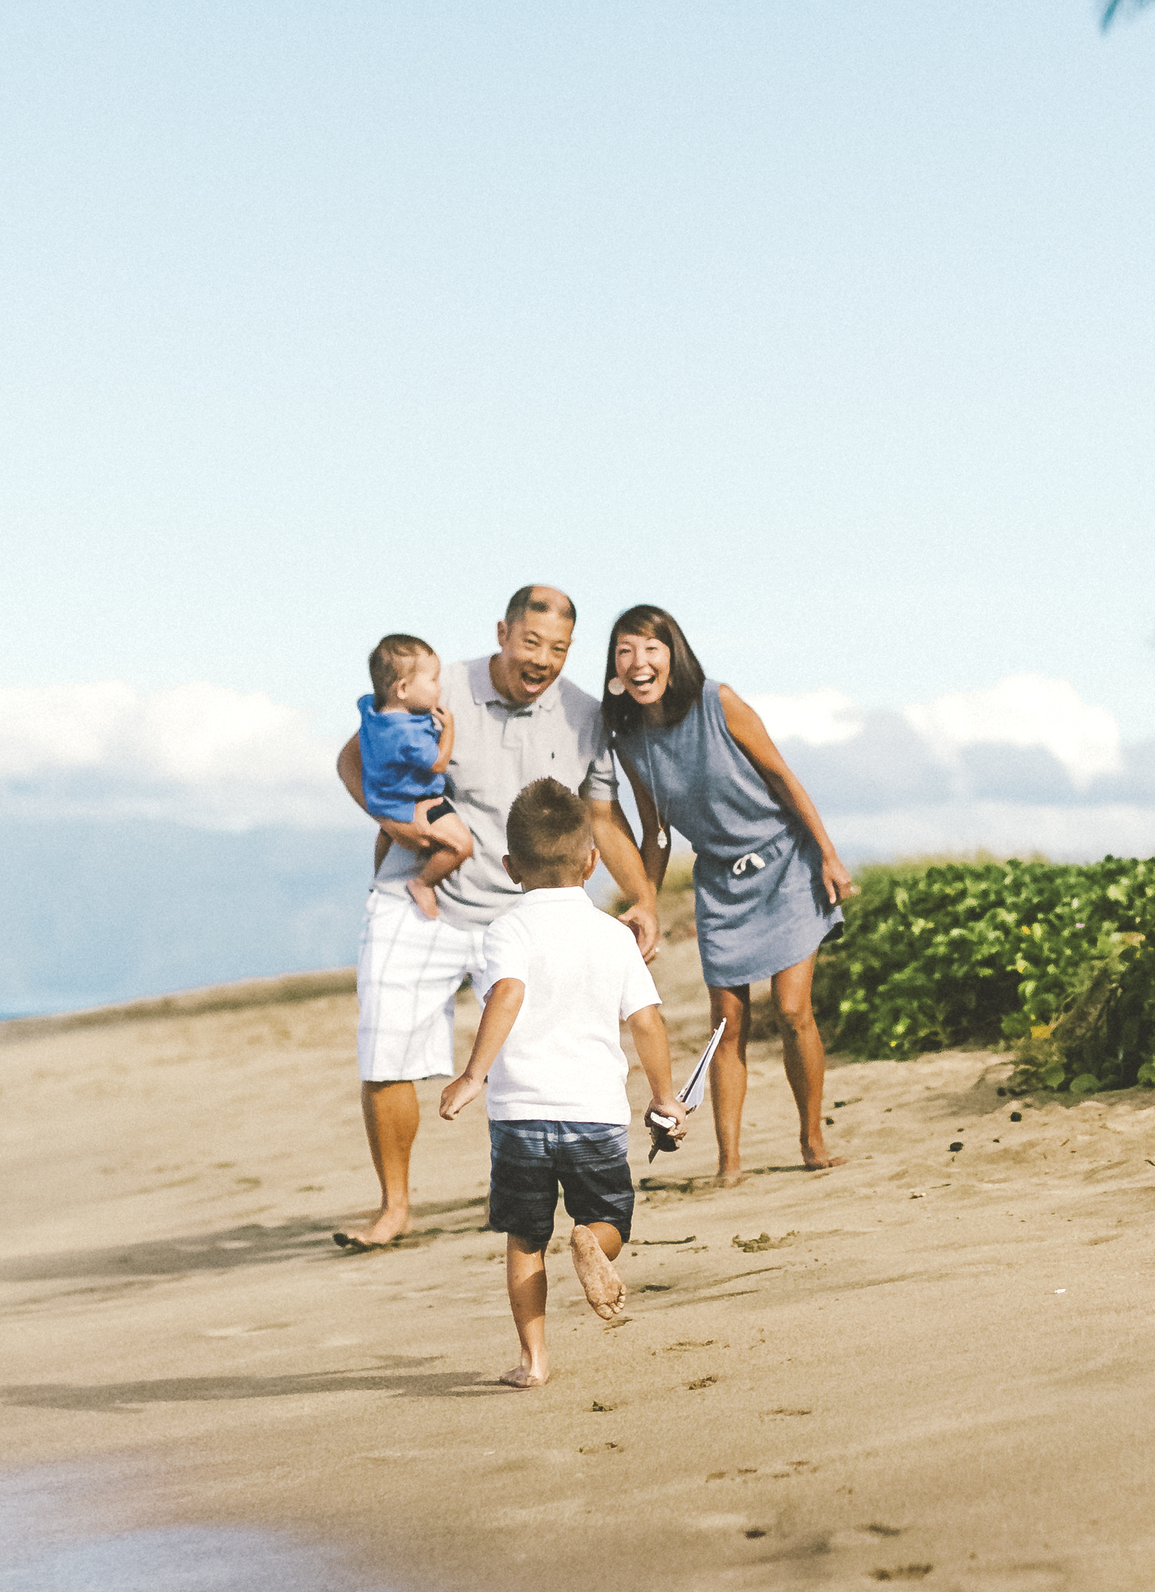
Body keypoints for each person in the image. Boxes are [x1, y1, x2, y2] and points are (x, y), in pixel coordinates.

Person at [331, 584, 676, 1250]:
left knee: (560, 1057)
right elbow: (354, 758)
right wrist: (392, 824)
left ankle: (560, 1188)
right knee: (385, 1051)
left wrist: (645, 898)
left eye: (559, 648)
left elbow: (599, 819)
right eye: (531, 642)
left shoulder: (582, 714)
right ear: (503, 632)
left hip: (524, 912)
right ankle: (395, 1207)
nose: (543, 659)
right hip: (421, 898)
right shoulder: (439, 684)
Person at [598, 600, 853, 1187]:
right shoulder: (629, 740)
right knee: (727, 1024)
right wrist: (648, 900)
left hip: (785, 861)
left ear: (673, 654)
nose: (638, 662)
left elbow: (784, 778)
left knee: (792, 1011)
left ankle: (812, 1141)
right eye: (624, 651)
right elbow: (655, 831)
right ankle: (729, 1163)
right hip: (720, 882)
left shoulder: (720, 701)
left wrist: (830, 857)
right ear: (615, 669)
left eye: (650, 648)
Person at [438, 778, 661, 1388]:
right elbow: (646, 1022)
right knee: (609, 1216)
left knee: (525, 1236)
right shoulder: (614, 936)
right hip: (595, 1112)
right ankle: (592, 1242)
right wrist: (665, 1097)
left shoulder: (507, 931)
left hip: (520, 1117)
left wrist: (472, 1075)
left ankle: (534, 1361)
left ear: (510, 867)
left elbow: (508, 992)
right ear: (592, 862)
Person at [355, 635, 474, 919]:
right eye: (433, 680)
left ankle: (378, 879)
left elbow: (366, 700)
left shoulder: (370, 709)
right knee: (461, 846)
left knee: (385, 834)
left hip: (381, 800)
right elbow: (438, 763)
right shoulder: (408, 736)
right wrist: (449, 728)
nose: (439, 687)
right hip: (418, 802)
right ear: (404, 688)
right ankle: (422, 883)